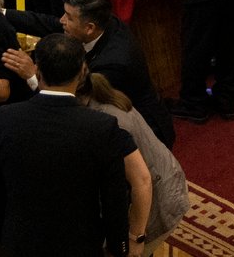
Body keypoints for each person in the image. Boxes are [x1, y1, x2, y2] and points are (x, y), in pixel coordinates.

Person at [0, 34, 136, 257]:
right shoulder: (102, 127)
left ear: (37, 70)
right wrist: (118, 249)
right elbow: (115, 200)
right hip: (81, 246)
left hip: (19, 244)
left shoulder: (4, 118)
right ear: (83, 72)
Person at [3, 0, 174, 149]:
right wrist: (1, 12)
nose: (62, 20)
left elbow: (73, 104)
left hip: (144, 137)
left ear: (90, 28)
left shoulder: (114, 63)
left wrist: (32, 76)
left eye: (68, 17)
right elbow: (47, 24)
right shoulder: (99, 22)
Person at [78, 72, 190, 255]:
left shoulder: (109, 125)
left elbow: (142, 181)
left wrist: (135, 237)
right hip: (165, 185)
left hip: (159, 201)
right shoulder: (101, 96)